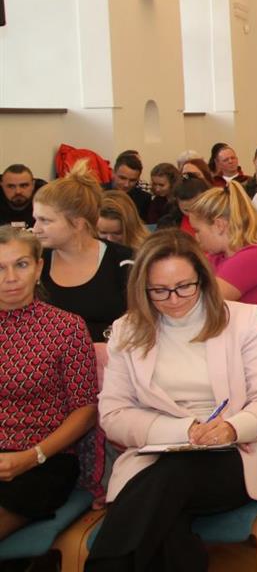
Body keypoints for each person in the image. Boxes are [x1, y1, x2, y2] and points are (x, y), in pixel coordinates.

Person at [85, 230, 257, 571]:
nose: (174, 299)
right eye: (159, 290)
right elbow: (114, 414)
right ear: (142, 288)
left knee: (166, 482)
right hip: (154, 458)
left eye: (184, 287)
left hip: (234, 455)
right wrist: (184, 430)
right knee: (167, 522)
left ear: (202, 279)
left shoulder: (242, 320)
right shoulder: (127, 329)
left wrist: (231, 428)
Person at [0, 225, 100, 540]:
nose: (11, 277)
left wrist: (33, 456)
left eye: (21, 264)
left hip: (44, 460)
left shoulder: (66, 328)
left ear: (39, 267)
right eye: (0, 268)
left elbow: (86, 410)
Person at [190, 183, 257, 417]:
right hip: (226, 348)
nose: (196, 238)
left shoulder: (256, 255)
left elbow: (200, 304)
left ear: (219, 225)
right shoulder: (216, 258)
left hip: (255, 356)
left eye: (198, 230)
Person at [32, 163, 133, 342]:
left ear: (78, 223)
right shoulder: (35, 261)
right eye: (35, 219)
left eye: (45, 221)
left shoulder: (123, 261)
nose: (36, 229)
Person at [109, 153, 152, 220]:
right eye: (122, 178)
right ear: (113, 173)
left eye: (132, 180)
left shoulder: (144, 199)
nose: (126, 184)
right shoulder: (98, 193)